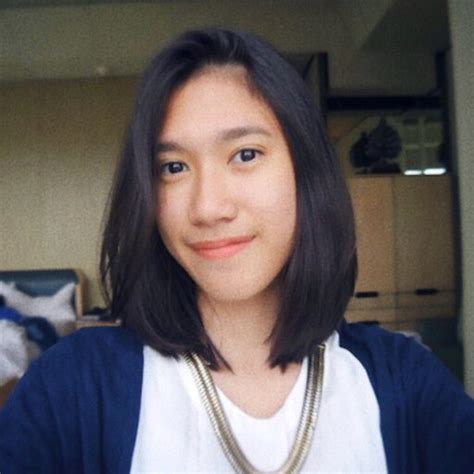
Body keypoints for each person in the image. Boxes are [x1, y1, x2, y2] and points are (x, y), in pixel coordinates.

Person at [1, 28, 473, 474]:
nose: (208, 208)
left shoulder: (404, 381)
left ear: (306, 172)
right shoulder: (73, 387)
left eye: (245, 154)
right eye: (173, 167)